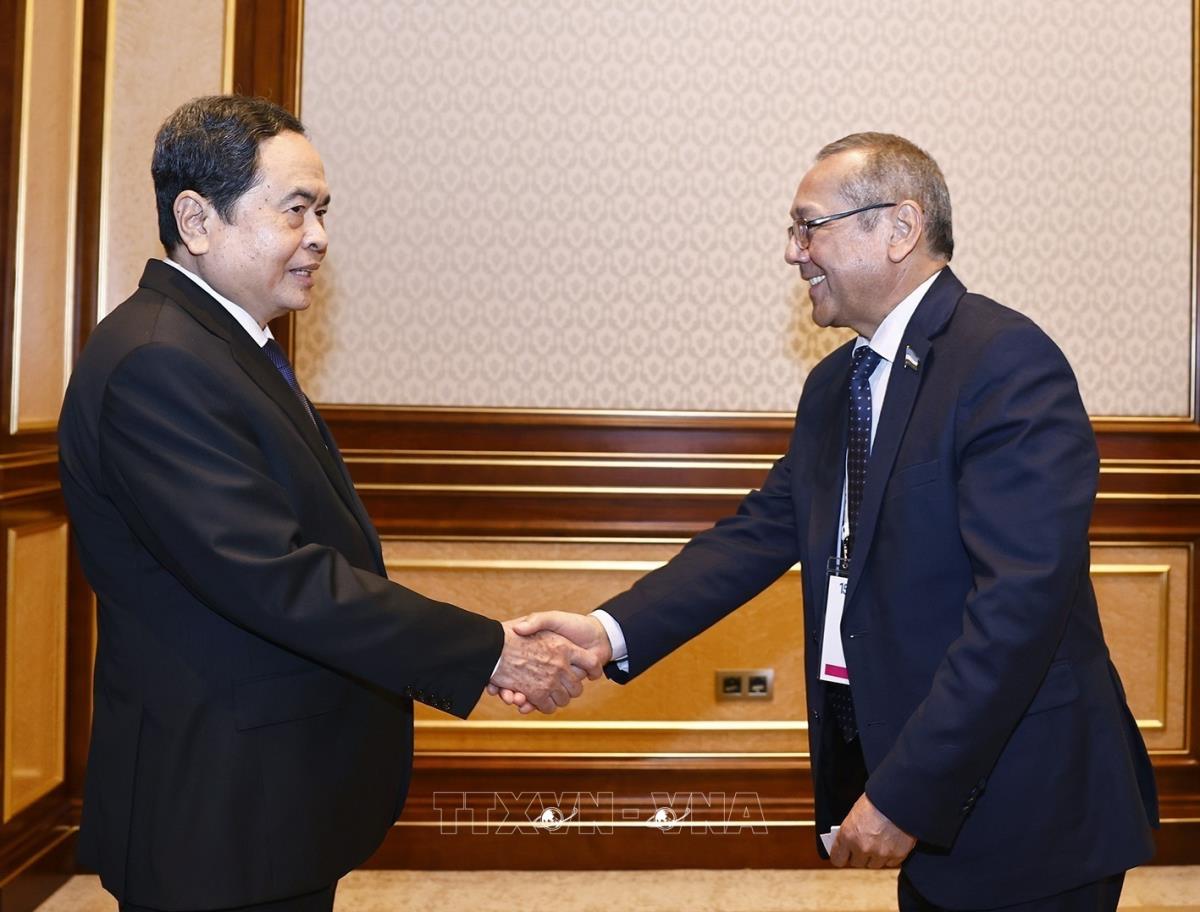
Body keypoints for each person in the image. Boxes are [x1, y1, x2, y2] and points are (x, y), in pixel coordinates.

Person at [507, 133, 1159, 910]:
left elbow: (1018, 609)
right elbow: (757, 535)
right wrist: (606, 632)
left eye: (808, 227)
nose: (793, 252)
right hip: (919, 776)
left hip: (1027, 802)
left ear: (899, 228)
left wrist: (908, 791)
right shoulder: (834, 386)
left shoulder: (1003, 361)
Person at [57, 94, 599, 912]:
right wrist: (489, 650)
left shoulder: (212, 344)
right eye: (294, 210)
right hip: (216, 804)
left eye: (323, 212)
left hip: (260, 793)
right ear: (197, 220)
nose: (317, 237)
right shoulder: (160, 360)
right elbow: (276, 577)